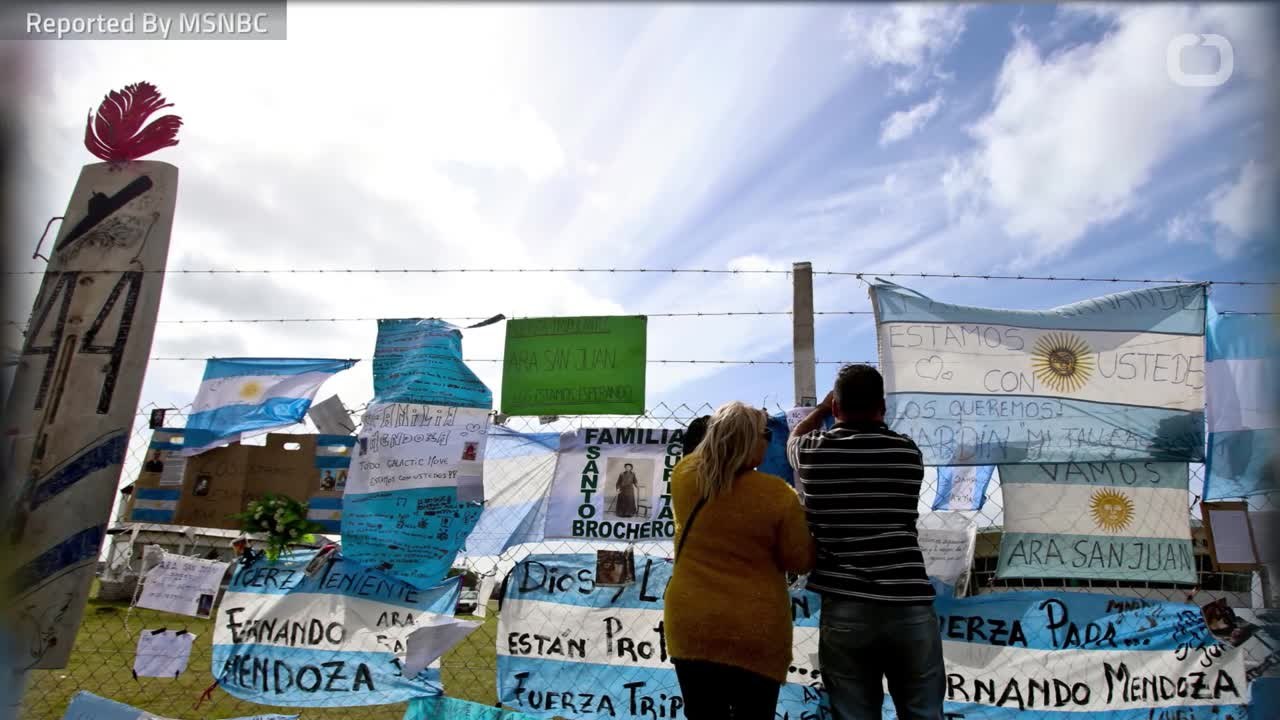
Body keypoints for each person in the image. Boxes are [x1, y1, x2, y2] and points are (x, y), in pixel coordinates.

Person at [788, 364, 943, 720]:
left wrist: (821, 410)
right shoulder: (907, 453)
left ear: (838, 408)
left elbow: (794, 438)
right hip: (909, 601)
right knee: (923, 710)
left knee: (854, 712)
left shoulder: (815, 452)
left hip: (846, 603)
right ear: (882, 407)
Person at [664, 401, 816, 720]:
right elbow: (799, 560)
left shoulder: (684, 477)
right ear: (750, 440)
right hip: (754, 632)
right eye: (766, 434)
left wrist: (727, 432)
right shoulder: (777, 496)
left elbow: (705, 457)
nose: (769, 440)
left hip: (691, 625)